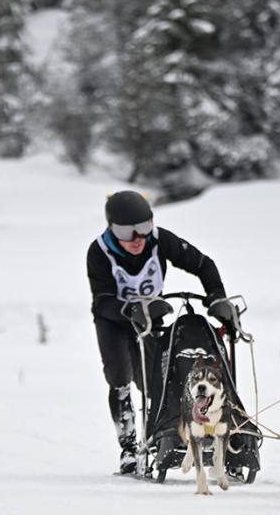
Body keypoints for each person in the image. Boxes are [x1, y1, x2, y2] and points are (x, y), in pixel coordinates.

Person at [86, 189, 227, 474]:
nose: (138, 239)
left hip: (149, 322)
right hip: (113, 323)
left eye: (144, 228)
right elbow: (101, 301)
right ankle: (128, 448)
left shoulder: (161, 241)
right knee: (120, 377)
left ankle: (156, 438)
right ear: (113, 229)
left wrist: (217, 297)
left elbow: (203, 265)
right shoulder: (99, 252)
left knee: (153, 382)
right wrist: (130, 309)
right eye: (127, 232)